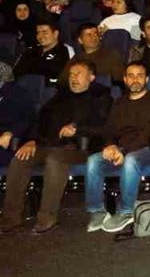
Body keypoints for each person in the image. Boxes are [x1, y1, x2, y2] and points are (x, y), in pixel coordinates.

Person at [0, 59, 112, 233]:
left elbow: (104, 126)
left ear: (91, 77)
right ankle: (11, 217)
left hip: (81, 147)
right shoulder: (60, 96)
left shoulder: (101, 98)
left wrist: (77, 129)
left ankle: (47, 217)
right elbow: (39, 120)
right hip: (48, 144)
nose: (73, 78)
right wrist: (32, 140)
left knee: (55, 159)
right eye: (71, 74)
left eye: (78, 74)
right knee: (20, 159)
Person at [83, 62, 150, 233]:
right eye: (131, 76)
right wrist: (111, 145)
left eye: (140, 75)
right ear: (125, 80)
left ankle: (126, 211)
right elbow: (108, 129)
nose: (135, 79)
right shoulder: (119, 102)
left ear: (146, 79)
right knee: (93, 161)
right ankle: (97, 210)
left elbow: (149, 133)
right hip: (122, 149)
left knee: (130, 160)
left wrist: (124, 151)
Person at [71, 23, 125, 87]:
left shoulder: (111, 54)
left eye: (96, 33)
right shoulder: (77, 58)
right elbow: (64, 80)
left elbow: (118, 79)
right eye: (89, 35)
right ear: (80, 40)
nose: (94, 37)